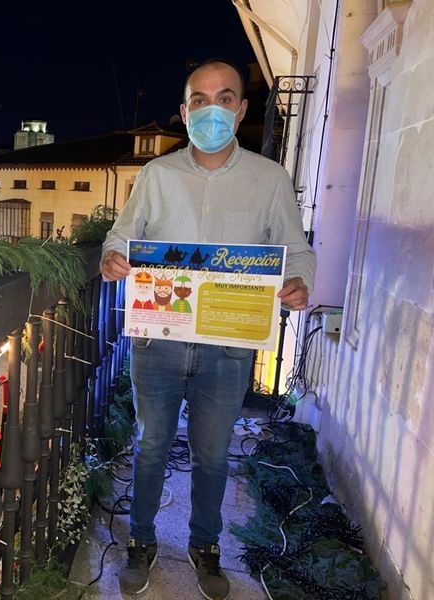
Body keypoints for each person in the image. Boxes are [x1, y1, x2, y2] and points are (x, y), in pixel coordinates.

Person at [100, 58, 316, 599]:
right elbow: (121, 238)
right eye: (199, 99)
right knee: (150, 447)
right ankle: (142, 541)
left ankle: (205, 544)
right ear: (184, 110)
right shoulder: (157, 175)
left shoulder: (270, 180)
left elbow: (296, 250)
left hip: (227, 346)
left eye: (224, 98)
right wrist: (111, 259)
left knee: (213, 454)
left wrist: (297, 283)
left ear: (242, 110)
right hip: (159, 342)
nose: (211, 108)